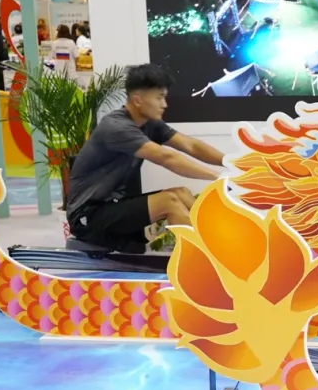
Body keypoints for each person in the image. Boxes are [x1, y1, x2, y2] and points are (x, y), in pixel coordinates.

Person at [66, 64, 225, 252]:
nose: (164, 104)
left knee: (181, 193)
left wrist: (232, 162)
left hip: (113, 207)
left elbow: (190, 145)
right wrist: (218, 177)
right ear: (137, 100)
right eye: (159, 98)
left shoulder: (150, 124)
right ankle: (200, 260)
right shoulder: (116, 127)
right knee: (169, 201)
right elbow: (166, 158)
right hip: (87, 217)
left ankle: (223, 245)